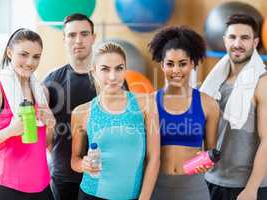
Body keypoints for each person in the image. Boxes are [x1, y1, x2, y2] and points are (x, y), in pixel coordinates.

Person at [0, 28, 55, 200]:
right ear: (10, 52)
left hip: (43, 188)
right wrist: (9, 131)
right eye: (23, 54)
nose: (30, 62)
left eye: (36, 56)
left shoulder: (42, 92)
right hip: (6, 189)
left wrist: (51, 125)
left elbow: (46, 144)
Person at [70, 42, 160, 200]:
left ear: (125, 69)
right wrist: (82, 165)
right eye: (105, 69)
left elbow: (154, 158)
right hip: (91, 195)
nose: (113, 76)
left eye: (119, 68)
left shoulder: (146, 104)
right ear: (94, 72)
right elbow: (74, 160)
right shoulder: (81, 112)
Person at [148, 26, 220, 200]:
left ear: (193, 63)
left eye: (183, 63)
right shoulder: (148, 102)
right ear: (162, 65)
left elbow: (211, 151)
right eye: (170, 64)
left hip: (194, 189)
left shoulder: (208, 104)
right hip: (156, 187)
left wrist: (206, 162)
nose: (176, 71)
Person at [201, 13, 267, 200]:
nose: (237, 43)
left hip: (245, 187)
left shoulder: (262, 83)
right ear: (224, 41)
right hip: (211, 179)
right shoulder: (214, 82)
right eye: (232, 37)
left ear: (255, 43)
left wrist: (252, 189)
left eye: (244, 38)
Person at [43, 13, 97, 200]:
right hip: (64, 177)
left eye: (84, 34)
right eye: (72, 35)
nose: (78, 40)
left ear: (93, 37)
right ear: (64, 39)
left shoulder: (111, 80)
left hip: (102, 176)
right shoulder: (51, 81)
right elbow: (46, 133)